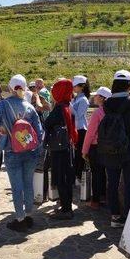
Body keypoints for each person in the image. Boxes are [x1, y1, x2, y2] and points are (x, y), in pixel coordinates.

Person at [0, 74, 44, 232]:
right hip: (30, 151)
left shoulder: (4, 104)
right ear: (25, 87)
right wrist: (37, 149)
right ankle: (28, 215)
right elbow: (39, 132)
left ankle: (19, 218)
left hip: (13, 150)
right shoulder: (30, 107)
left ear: (11, 88)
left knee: (16, 186)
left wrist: (0, 127)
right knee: (28, 184)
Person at [102, 70, 130, 227]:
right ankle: (127, 218)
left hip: (112, 147)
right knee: (129, 184)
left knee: (112, 183)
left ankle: (114, 216)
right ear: (129, 85)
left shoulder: (107, 103)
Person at [44, 79, 79, 219]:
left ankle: (66, 210)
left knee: (61, 178)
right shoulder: (68, 106)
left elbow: (47, 123)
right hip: (67, 147)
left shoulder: (59, 108)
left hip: (59, 150)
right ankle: (67, 207)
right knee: (66, 178)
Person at [81, 86, 111, 210]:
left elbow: (90, 133)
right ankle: (104, 197)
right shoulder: (111, 112)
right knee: (104, 173)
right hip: (108, 147)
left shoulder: (97, 113)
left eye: (97, 95)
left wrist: (84, 150)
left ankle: (95, 200)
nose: (94, 97)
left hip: (95, 147)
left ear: (102, 98)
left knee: (96, 173)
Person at [71, 75, 90, 184]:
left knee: (79, 154)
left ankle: (78, 176)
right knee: (75, 153)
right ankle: (75, 176)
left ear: (82, 87)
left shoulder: (83, 100)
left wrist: (69, 106)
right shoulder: (76, 98)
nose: (74, 88)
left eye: (76, 86)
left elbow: (78, 115)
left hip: (81, 129)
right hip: (76, 128)